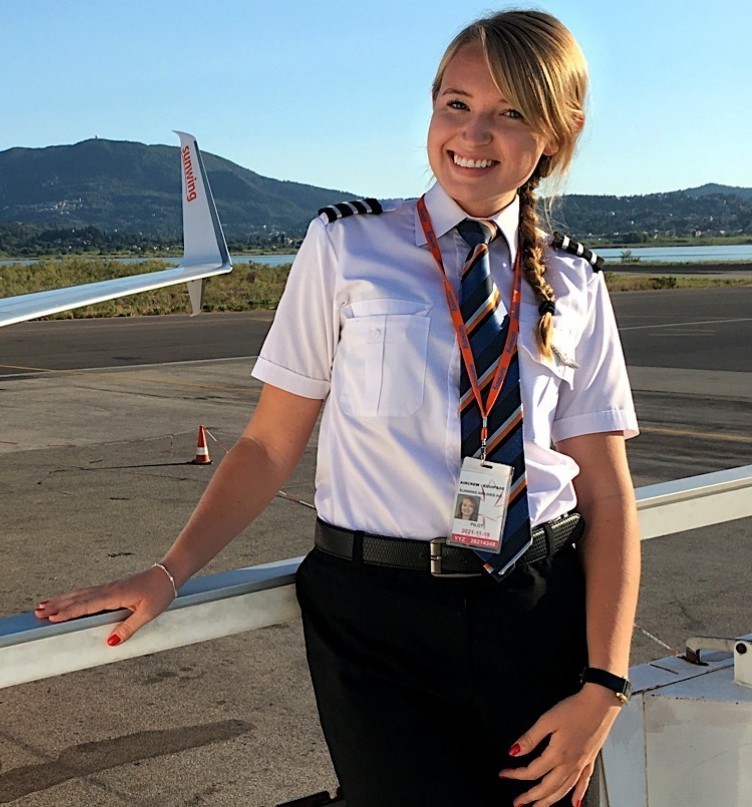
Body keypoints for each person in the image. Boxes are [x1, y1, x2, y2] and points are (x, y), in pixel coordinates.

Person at [36, 10, 639, 807]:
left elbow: (606, 493)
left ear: (560, 132)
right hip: (378, 621)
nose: (474, 134)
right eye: (456, 105)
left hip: (537, 610)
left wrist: (605, 685)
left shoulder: (575, 281)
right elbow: (267, 443)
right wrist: (171, 569)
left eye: (511, 112)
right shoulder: (347, 245)